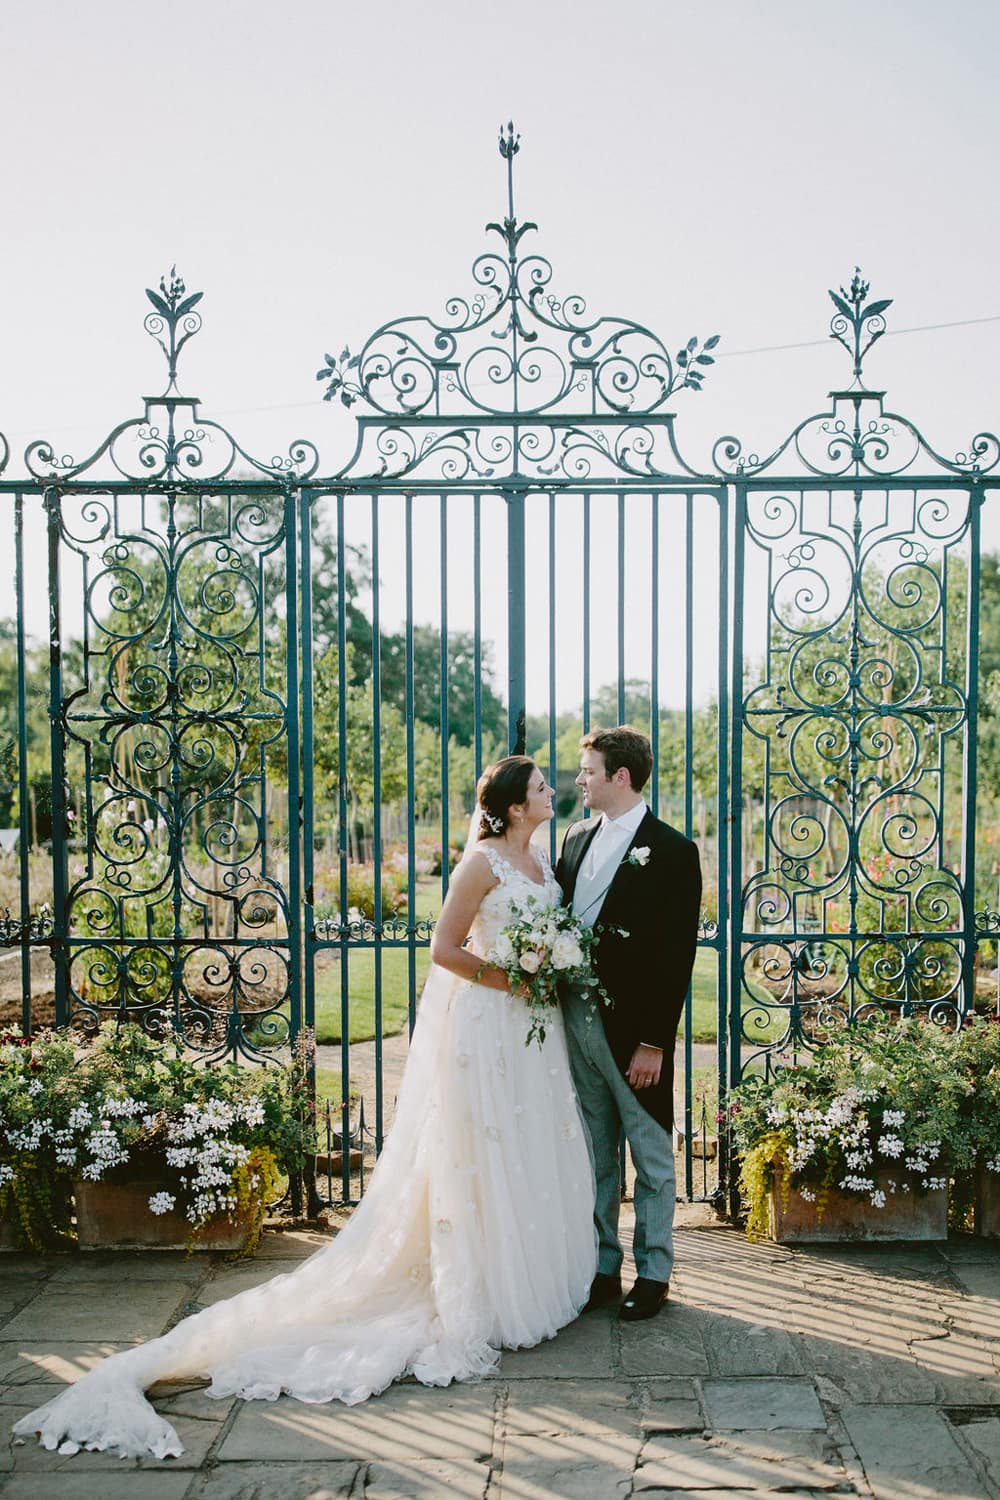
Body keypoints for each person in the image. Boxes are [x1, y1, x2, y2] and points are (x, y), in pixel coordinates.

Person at [14, 757, 596, 1461]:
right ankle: (486, 1287)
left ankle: (533, 1273)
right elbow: (444, 948)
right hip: (492, 1023)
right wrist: (514, 977)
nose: (550, 794)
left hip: (534, 1036)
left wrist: (550, 970)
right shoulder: (480, 864)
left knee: (529, 1147)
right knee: (484, 1150)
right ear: (508, 806)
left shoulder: (545, 862)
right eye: (538, 788)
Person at [556, 726, 701, 1323]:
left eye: (587, 770)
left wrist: (654, 1042)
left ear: (621, 776)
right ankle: (601, 1266)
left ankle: (656, 1270)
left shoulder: (672, 851)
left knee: (650, 1153)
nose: (578, 780)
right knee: (593, 1151)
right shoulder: (575, 835)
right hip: (574, 1018)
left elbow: (676, 957)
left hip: (634, 1031)